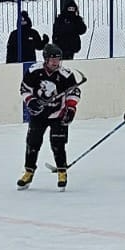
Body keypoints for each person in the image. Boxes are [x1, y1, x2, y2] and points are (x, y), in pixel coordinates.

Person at [17, 44, 85, 190]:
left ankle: (62, 172)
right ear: (45, 59)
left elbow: (74, 92)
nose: (55, 62)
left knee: (58, 144)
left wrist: (71, 108)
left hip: (58, 114)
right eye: (52, 59)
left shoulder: (66, 74)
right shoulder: (34, 71)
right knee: (32, 144)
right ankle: (28, 172)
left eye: (58, 59)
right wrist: (31, 101)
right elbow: (24, 89)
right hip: (38, 115)